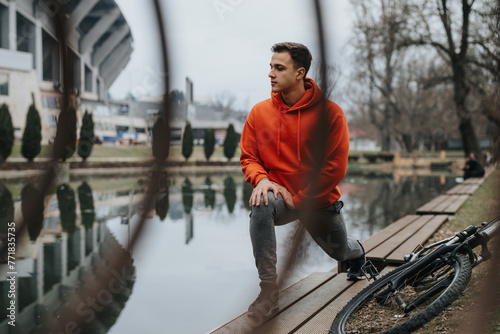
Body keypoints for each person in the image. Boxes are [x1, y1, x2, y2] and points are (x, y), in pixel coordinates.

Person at [240, 42, 365, 319]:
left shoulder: (331, 114)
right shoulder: (259, 113)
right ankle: (268, 291)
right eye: (270, 67)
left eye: (279, 68)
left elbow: (334, 168)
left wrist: (298, 199)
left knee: (340, 251)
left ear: (300, 73)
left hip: (318, 200)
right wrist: (260, 179)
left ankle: (358, 253)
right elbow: (249, 156)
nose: (270, 73)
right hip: (278, 196)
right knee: (260, 202)